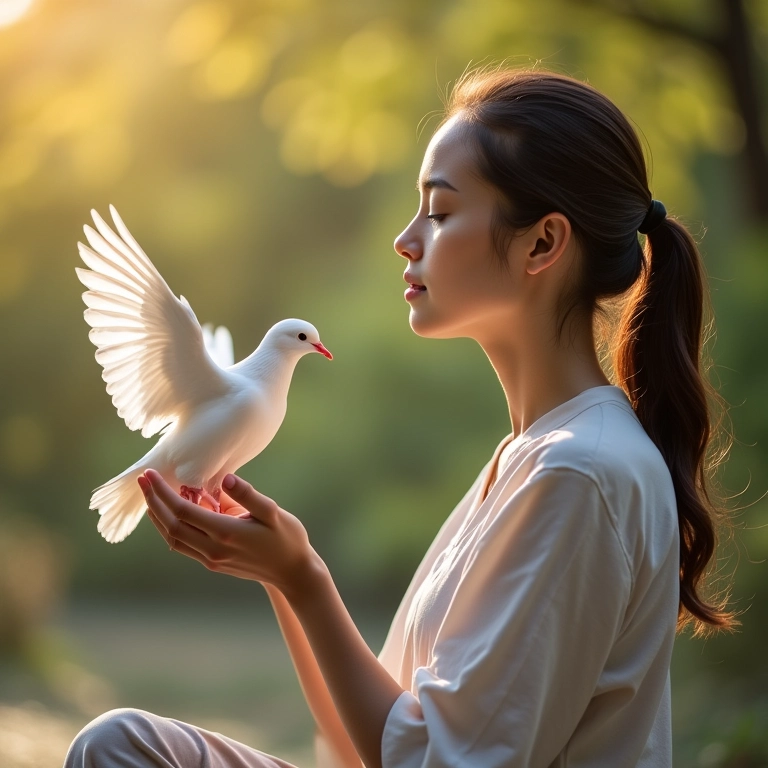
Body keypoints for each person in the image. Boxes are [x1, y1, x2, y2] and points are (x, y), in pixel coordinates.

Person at [64, 66, 735, 768]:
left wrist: (305, 581)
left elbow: (432, 762)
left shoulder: (578, 471)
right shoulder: (530, 457)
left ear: (542, 244)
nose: (405, 239)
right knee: (122, 744)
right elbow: (370, 747)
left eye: (440, 213)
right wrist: (283, 572)